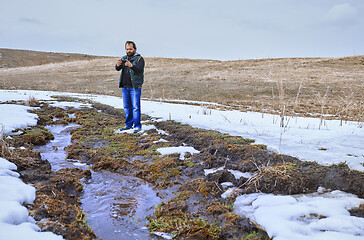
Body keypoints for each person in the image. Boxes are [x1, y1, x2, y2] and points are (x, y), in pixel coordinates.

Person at [115, 41, 145, 133]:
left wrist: (131, 65)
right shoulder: (124, 58)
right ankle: (128, 125)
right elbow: (117, 69)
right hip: (125, 86)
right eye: (127, 49)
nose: (129, 51)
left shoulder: (139, 59)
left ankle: (137, 126)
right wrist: (118, 65)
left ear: (135, 49)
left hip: (135, 87)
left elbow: (139, 70)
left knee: (135, 107)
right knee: (127, 107)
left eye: (130, 49)